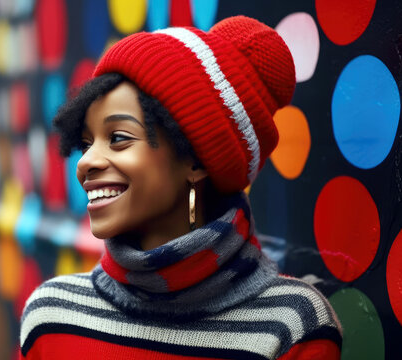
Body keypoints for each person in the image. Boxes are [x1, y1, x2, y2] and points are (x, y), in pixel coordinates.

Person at [20, 15, 342, 359]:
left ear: (197, 160)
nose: (85, 163)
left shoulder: (293, 328)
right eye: (86, 143)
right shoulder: (51, 317)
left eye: (118, 138)